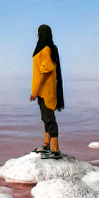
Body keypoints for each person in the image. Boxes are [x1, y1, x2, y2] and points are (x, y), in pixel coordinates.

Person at [30, 24, 64, 160]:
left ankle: (55, 151)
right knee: (45, 118)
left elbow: (45, 71)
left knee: (49, 119)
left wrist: (36, 90)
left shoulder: (48, 49)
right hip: (42, 91)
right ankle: (46, 145)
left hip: (46, 90)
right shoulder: (44, 48)